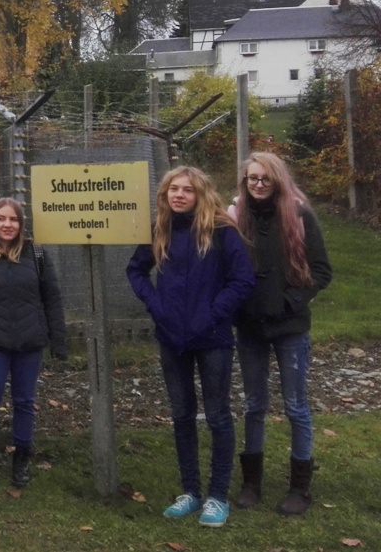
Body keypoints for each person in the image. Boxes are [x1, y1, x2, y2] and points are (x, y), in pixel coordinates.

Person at [127, 166, 254, 527]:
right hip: (171, 338)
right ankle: (190, 491)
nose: (179, 195)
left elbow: (241, 279)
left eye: (187, 189)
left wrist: (214, 313)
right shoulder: (160, 229)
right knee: (181, 414)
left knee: (217, 416)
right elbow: (135, 270)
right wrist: (156, 305)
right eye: (173, 189)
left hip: (212, 338)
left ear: (200, 194)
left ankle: (217, 496)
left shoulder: (220, 230)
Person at [230, 152, 332, 516]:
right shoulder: (235, 216)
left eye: (264, 179)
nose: (257, 184)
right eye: (251, 178)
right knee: (254, 405)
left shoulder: (300, 214)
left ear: (277, 180)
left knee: (296, 407)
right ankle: (251, 482)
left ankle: (300, 487)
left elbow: (321, 271)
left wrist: (290, 302)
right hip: (250, 327)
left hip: (290, 327)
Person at [0, 197, 66, 488]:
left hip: (30, 342)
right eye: (1, 219)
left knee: (25, 402)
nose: (7, 225)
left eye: (13, 219)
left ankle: (21, 457)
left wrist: (59, 340)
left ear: (21, 223)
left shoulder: (37, 255)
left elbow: (52, 298)